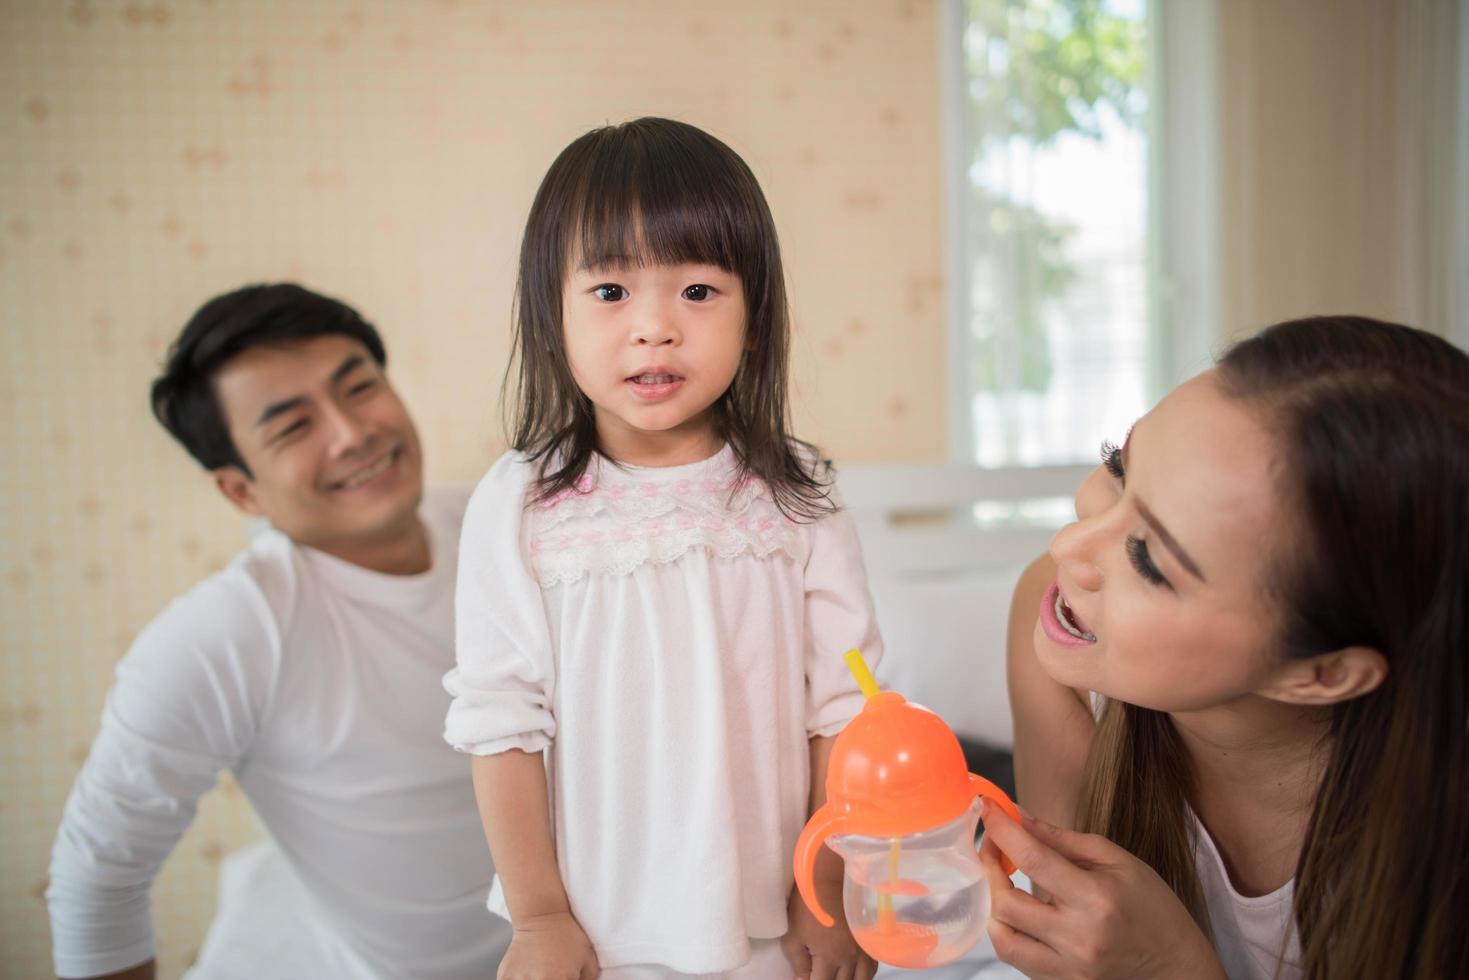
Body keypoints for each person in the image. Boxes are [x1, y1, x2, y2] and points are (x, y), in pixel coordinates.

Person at [441, 118, 884, 980]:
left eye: (697, 291)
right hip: (594, 935)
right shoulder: (522, 504)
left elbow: (845, 712)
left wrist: (825, 892)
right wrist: (537, 919)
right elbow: (501, 725)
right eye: (609, 293)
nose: (654, 329)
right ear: (551, 318)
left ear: (756, 316)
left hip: (777, 924)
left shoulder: (798, 497)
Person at [978, 316, 1469, 979]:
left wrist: (1172, 969)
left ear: (1322, 672)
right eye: (1119, 467)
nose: (1067, 546)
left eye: (1149, 561)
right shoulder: (1062, 630)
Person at [47, 283, 511, 980]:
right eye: (293, 427)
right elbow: (97, 881)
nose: (353, 433)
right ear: (242, 491)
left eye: (359, 388)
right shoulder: (228, 634)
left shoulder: (502, 526)